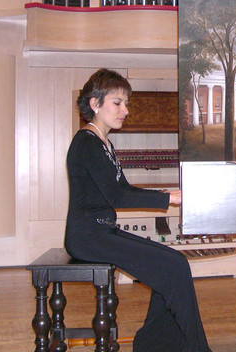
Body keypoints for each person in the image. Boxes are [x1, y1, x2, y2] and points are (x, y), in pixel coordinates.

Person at [64, 68, 212, 352]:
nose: (126, 110)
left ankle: (153, 344)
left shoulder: (104, 143)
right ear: (95, 104)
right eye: (117, 103)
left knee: (173, 264)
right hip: (87, 237)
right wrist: (167, 198)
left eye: (126, 103)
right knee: (173, 267)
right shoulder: (86, 143)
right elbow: (117, 195)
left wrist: (166, 195)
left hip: (100, 231)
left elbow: (123, 189)